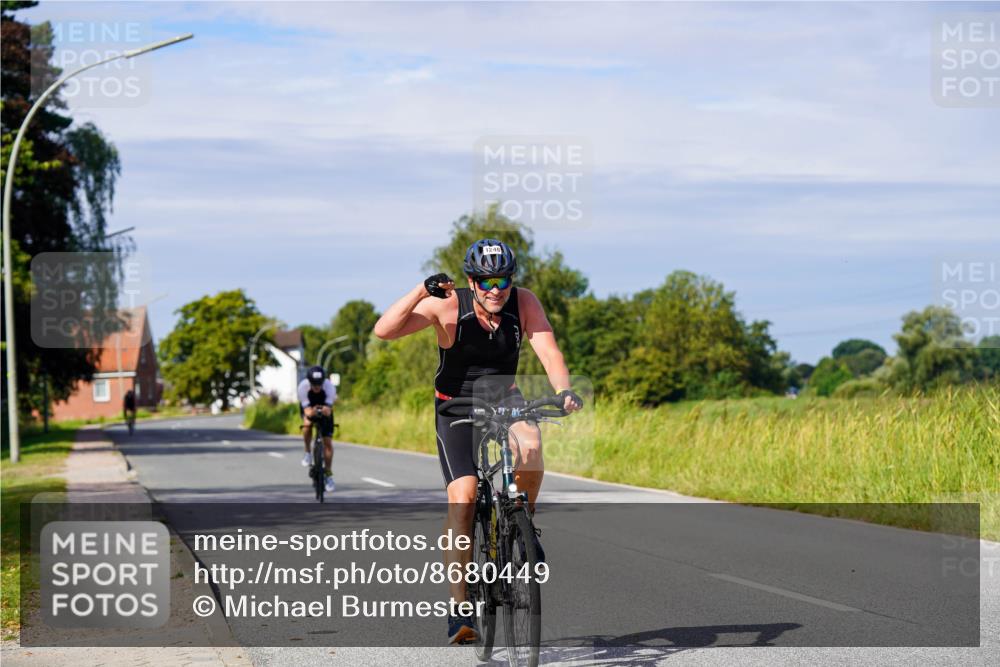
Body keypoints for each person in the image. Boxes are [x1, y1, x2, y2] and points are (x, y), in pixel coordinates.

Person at [373, 238, 582, 644]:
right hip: (456, 407)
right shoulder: (449, 305)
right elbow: (385, 330)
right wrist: (421, 291)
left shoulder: (524, 302)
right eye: (486, 281)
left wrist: (563, 390)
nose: (495, 289)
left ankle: (523, 525)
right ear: (472, 281)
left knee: (531, 446)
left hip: (504, 398)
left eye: (503, 280)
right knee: (465, 498)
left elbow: (549, 351)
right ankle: (459, 609)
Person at [298, 365, 337, 493]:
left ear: (323, 381)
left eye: (319, 384)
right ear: (309, 382)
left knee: (328, 442)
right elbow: (307, 411)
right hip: (309, 407)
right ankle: (308, 452)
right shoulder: (303, 387)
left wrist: (325, 410)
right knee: (307, 424)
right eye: (314, 384)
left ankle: (328, 474)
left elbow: (328, 410)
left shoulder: (329, 387)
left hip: (325, 408)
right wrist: (312, 412)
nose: (317, 387)